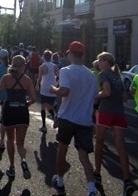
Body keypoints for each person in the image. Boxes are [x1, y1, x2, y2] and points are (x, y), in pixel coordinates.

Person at [50, 41, 99, 196]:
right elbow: (96, 98)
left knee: (62, 150)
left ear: (70, 54)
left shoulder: (66, 71)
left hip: (68, 117)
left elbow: (64, 91)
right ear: (82, 55)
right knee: (84, 156)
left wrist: (53, 89)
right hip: (84, 119)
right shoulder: (91, 75)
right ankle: (91, 189)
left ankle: (60, 182)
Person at [93, 52, 134, 196]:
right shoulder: (117, 77)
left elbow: (107, 92)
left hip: (106, 111)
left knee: (99, 143)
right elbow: (124, 97)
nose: (98, 63)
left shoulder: (103, 74)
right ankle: (127, 180)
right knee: (121, 146)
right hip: (119, 113)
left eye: (100, 60)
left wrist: (95, 96)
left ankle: (97, 173)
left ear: (105, 61)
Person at [0, 55, 38, 179]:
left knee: (10, 140)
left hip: (9, 110)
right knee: (20, 143)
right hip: (22, 111)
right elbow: (34, 98)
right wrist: (28, 104)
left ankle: (12, 167)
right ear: (23, 66)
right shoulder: (27, 80)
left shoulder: (6, 78)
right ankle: (23, 160)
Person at [36, 49, 59, 133]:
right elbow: (59, 76)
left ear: (44, 57)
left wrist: (37, 85)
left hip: (44, 88)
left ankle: (44, 125)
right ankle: (55, 116)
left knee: (43, 107)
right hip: (52, 88)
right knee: (49, 107)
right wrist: (56, 83)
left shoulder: (42, 67)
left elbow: (39, 77)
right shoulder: (55, 66)